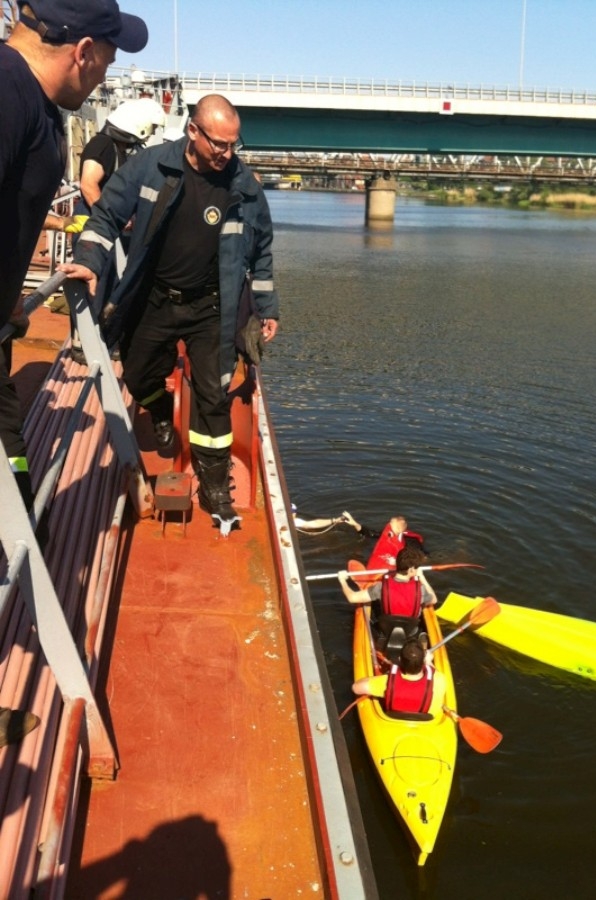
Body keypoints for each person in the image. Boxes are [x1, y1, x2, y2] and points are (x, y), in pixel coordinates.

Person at [0, 0, 148, 748]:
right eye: (109, 63)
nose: (104, 80)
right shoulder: (6, 94)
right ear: (83, 50)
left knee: (16, 499)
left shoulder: (30, 104)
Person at [62, 94, 280, 535]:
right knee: (140, 373)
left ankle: (216, 488)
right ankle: (160, 410)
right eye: (218, 143)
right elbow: (105, 216)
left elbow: (262, 251)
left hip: (210, 307)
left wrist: (268, 309)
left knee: (213, 394)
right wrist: (88, 257)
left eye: (233, 144)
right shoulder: (152, 166)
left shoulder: (244, 184)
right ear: (193, 132)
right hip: (155, 298)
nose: (226, 153)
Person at [68, 97, 166, 362]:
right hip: (92, 222)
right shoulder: (102, 145)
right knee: (93, 284)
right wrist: (113, 215)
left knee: (109, 281)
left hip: (107, 225)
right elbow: (88, 184)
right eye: (152, 128)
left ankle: (100, 338)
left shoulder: (121, 151)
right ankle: (82, 344)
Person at [338, 544, 437, 643]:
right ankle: (421, 637)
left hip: (385, 630)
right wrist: (422, 577)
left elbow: (352, 598)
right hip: (411, 632)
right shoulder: (421, 590)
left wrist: (342, 580)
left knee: (375, 604)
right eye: (417, 568)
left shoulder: (380, 587)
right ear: (411, 569)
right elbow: (434, 599)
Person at [351, 639, 447, 719]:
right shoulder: (440, 680)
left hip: (392, 722)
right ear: (423, 662)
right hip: (426, 724)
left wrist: (375, 678)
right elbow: (434, 673)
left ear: (400, 659)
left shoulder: (387, 682)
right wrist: (429, 662)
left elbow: (356, 688)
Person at [342, 512, 426, 564]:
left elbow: (422, 558)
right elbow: (370, 533)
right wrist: (354, 523)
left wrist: (397, 562)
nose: (388, 527)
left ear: (399, 530)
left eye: (391, 526)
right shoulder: (387, 534)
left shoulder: (412, 542)